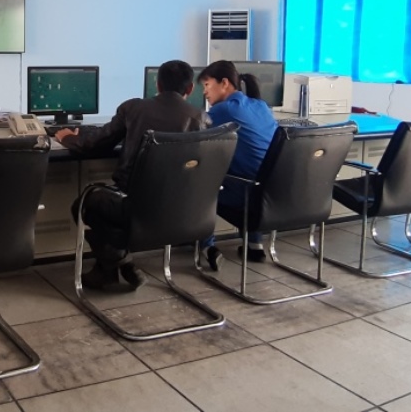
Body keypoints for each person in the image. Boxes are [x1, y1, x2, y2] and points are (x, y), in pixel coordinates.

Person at [55, 60, 206, 292]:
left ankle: (119, 263)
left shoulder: (134, 108)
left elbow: (94, 145)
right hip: (184, 211)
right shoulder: (202, 120)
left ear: (157, 84)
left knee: (85, 204)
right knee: (106, 205)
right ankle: (111, 269)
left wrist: (67, 137)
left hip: (136, 208)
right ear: (190, 89)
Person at [196, 60, 279, 270]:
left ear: (224, 83)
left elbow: (193, 133)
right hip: (273, 196)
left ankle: (207, 247)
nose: (204, 92)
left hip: (249, 196)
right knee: (249, 172)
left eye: (207, 85)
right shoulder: (261, 105)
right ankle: (254, 245)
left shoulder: (224, 110)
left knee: (201, 184)